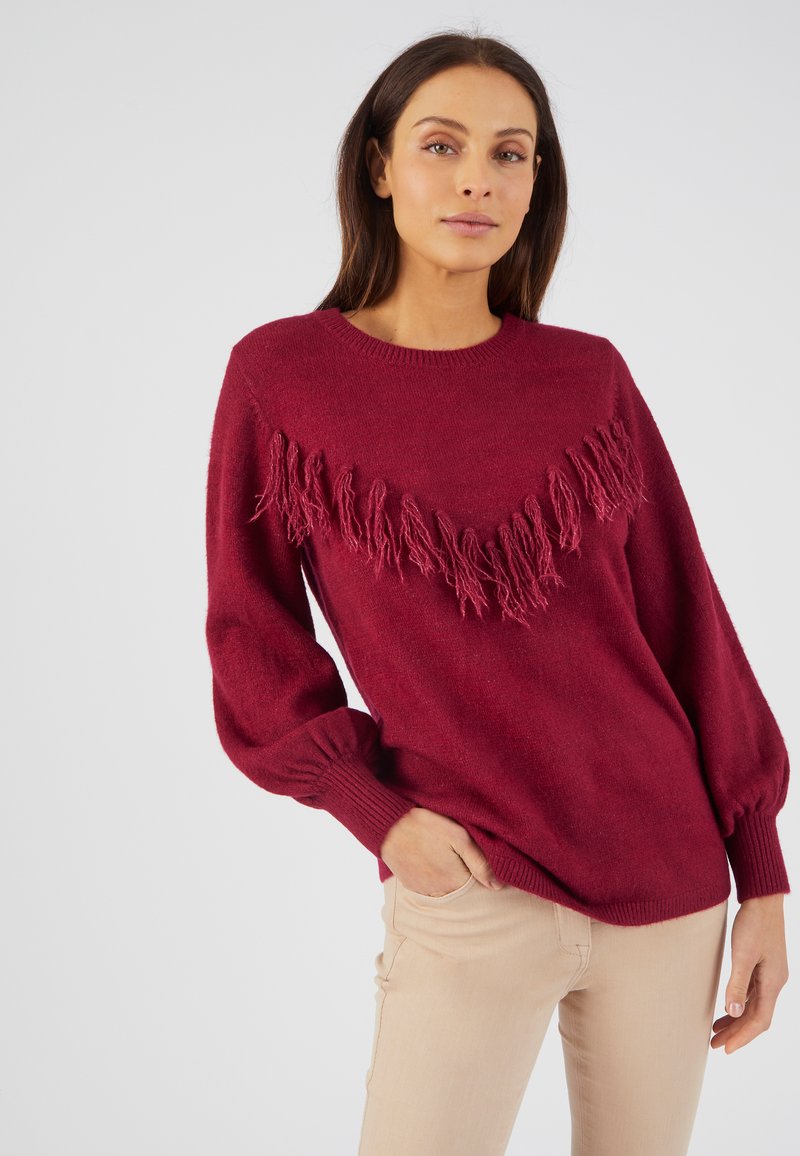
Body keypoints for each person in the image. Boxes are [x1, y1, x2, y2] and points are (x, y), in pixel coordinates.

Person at [204, 29, 791, 1156]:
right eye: (442, 145)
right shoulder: (282, 376)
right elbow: (251, 635)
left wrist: (759, 869)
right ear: (380, 167)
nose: (476, 177)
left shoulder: (587, 376)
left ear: (534, 183)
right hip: (468, 879)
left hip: (667, 883)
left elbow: (687, 621)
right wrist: (380, 817)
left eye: (509, 153)